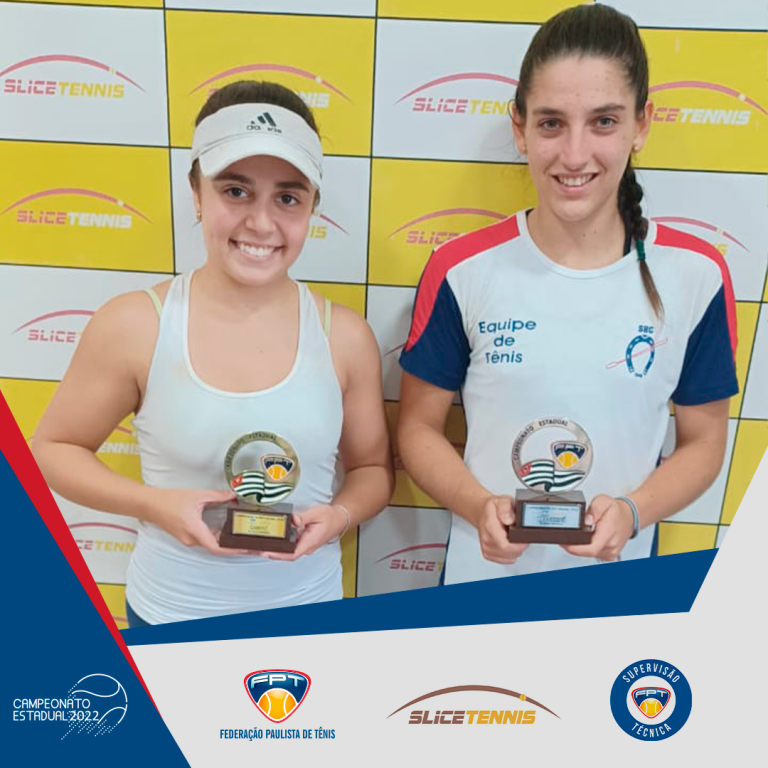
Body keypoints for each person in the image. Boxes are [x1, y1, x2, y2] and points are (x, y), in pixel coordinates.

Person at [396, 4, 738, 585]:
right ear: (520, 128)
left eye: (603, 121)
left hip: (618, 589)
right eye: (552, 123)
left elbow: (704, 442)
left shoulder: (697, 273)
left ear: (642, 124)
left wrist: (634, 512)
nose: (575, 155)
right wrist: (478, 506)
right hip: (483, 587)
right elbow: (417, 429)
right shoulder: (461, 268)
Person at [32, 81, 394, 624]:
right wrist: (155, 504)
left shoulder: (344, 335)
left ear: (312, 207)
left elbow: (372, 470)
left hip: (306, 613)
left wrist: (340, 516)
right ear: (196, 193)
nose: (262, 223)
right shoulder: (135, 324)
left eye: (288, 198)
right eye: (236, 191)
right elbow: (53, 448)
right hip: (170, 613)